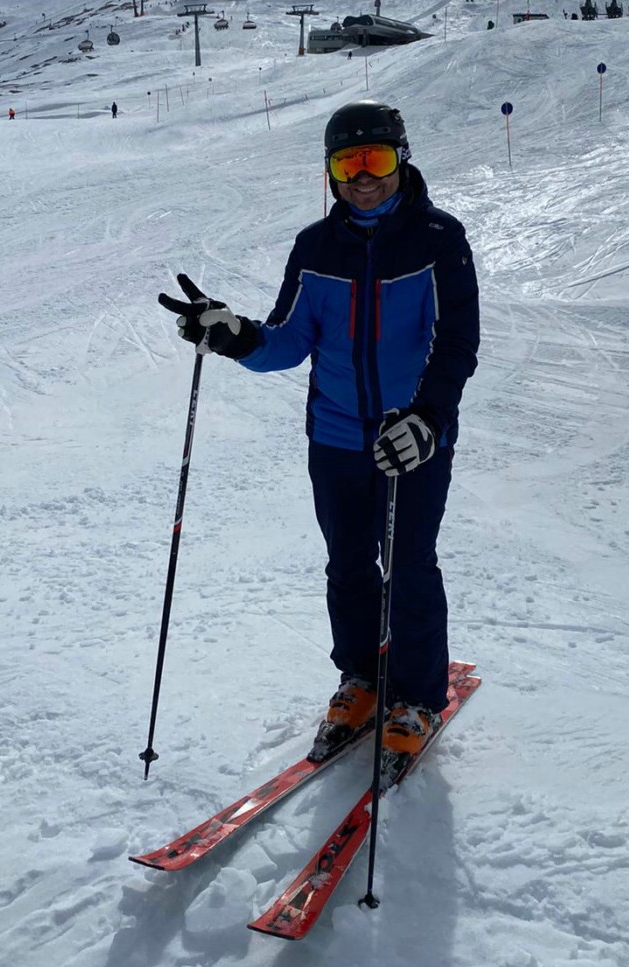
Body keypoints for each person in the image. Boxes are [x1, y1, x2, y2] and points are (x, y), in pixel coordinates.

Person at [158, 101, 479, 767]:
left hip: (413, 439)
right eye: (347, 164)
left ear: (402, 159)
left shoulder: (438, 240)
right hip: (335, 437)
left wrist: (428, 419)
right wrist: (235, 336)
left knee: (410, 565)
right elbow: (287, 339)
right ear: (330, 172)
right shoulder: (315, 248)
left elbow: (457, 344)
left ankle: (417, 696)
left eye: (376, 160)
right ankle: (362, 675)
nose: (364, 179)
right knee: (348, 563)